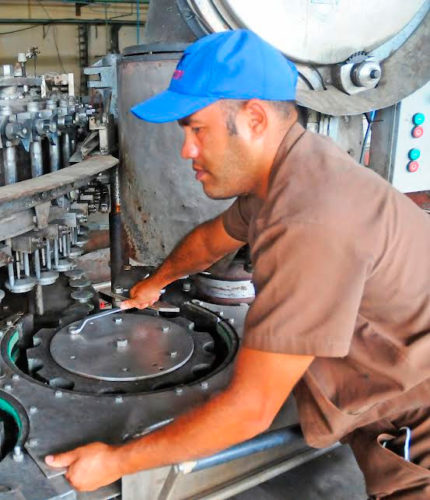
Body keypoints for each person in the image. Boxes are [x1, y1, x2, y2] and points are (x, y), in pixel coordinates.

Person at [45, 30, 430, 498]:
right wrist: (157, 281)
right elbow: (215, 237)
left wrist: (116, 461)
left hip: (417, 428)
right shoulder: (293, 171)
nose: (186, 149)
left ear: (253, 118)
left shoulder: (310, 219)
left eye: (196, 129)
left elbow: (251, 409)